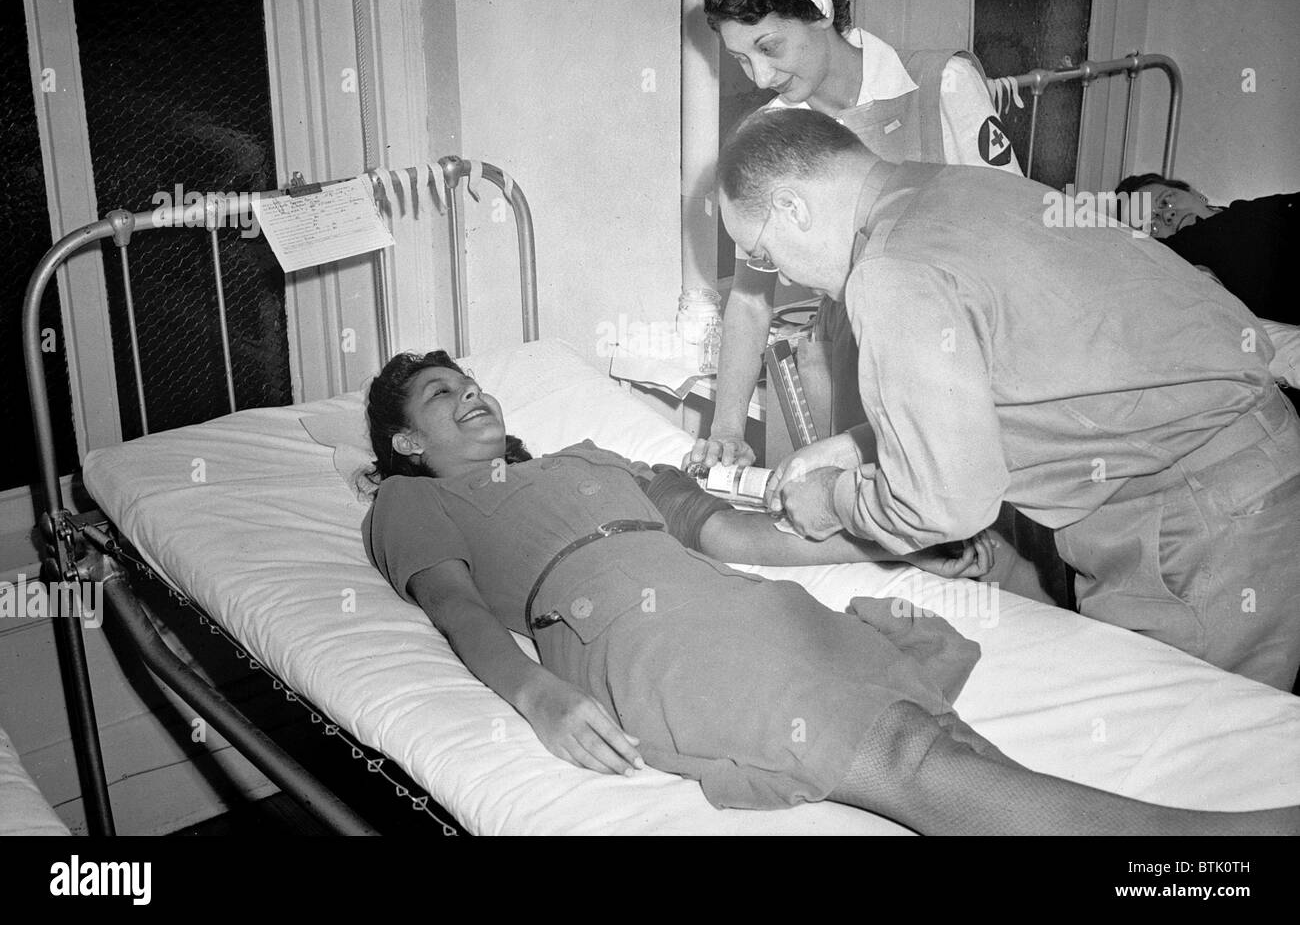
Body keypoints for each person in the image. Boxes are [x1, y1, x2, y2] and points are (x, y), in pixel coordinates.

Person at [359, 349, 1298, 834]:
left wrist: (896, 547)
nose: (472, 395)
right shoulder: (412, 500)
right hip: (634, 635)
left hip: (724, 598)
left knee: (936, 738)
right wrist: (539, 696)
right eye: (442, 396)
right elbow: (459, 611)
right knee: (897, 751)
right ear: (405, 442)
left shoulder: (592, 458)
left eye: (472, 382)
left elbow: (733, 532)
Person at [717, 108, 1300, 692]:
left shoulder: (892, 269)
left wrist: (831, 502)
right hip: (1255, 471)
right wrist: (850, 447)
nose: (781, 277)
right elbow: (1011, 372)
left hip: (1200, 524)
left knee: (1182, 759)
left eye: (764, 253)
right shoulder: (966, 187)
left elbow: (944, 507)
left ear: (793, 207)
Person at [688, 0, 1020, 474]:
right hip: (849, 357)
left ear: (817, 12)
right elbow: (749, 296)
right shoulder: (771, 132)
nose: (761, 75)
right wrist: (726, 430)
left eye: (770, 47)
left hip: (970, 342)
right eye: (742, 60)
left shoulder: (938, 85)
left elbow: (1016, 233)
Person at [1115, 174, 1300, 411]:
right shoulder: (1192, 278)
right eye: (1152, 226)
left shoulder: (1258, 213)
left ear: (1195, 193)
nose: (1167, 215)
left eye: (1166, 201)